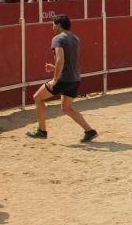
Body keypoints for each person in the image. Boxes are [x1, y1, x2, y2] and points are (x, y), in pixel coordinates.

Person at [25, 14, 98, 142]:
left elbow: (60, 59)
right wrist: (54, 67)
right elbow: (70, 61)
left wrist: (55, 78)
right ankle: (89, 131)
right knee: (66, 108)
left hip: (63, 79)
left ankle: (42, 131)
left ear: (59, 25)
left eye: (53, 24)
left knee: (37, 97)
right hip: (75, 79)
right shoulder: (75, 38)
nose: (52, 27)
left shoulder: (57, 39)